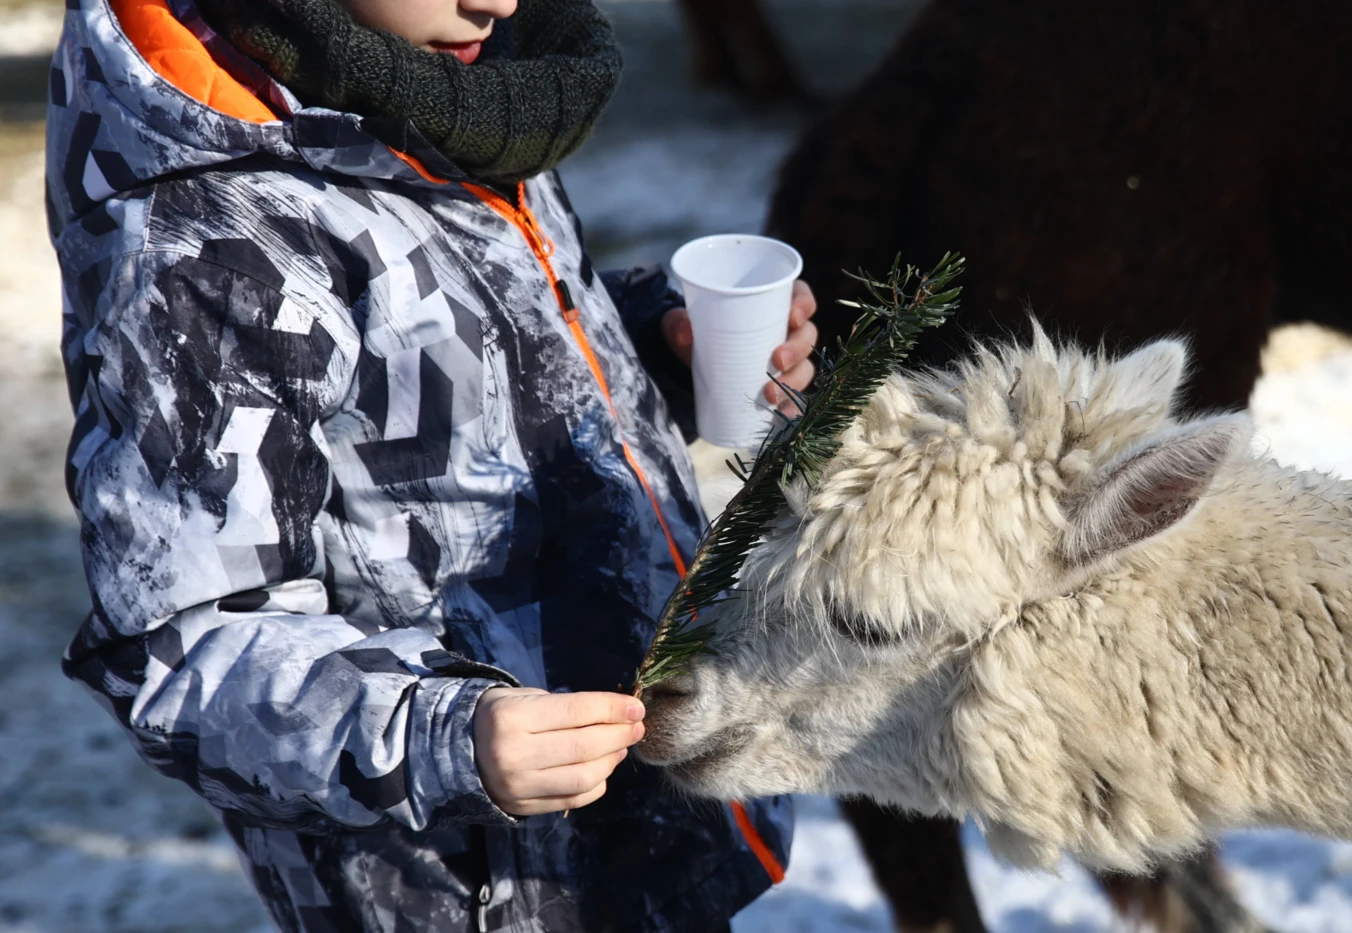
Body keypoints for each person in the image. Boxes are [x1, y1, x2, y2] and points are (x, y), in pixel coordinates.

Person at [48, 0, 816, 929]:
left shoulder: (429, 86)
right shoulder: (207, 240)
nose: (497, 0)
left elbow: (433, 354)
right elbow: (185, 645)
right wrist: (447, 737)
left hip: (630, 821)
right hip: (470, 883)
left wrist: (656, 344)